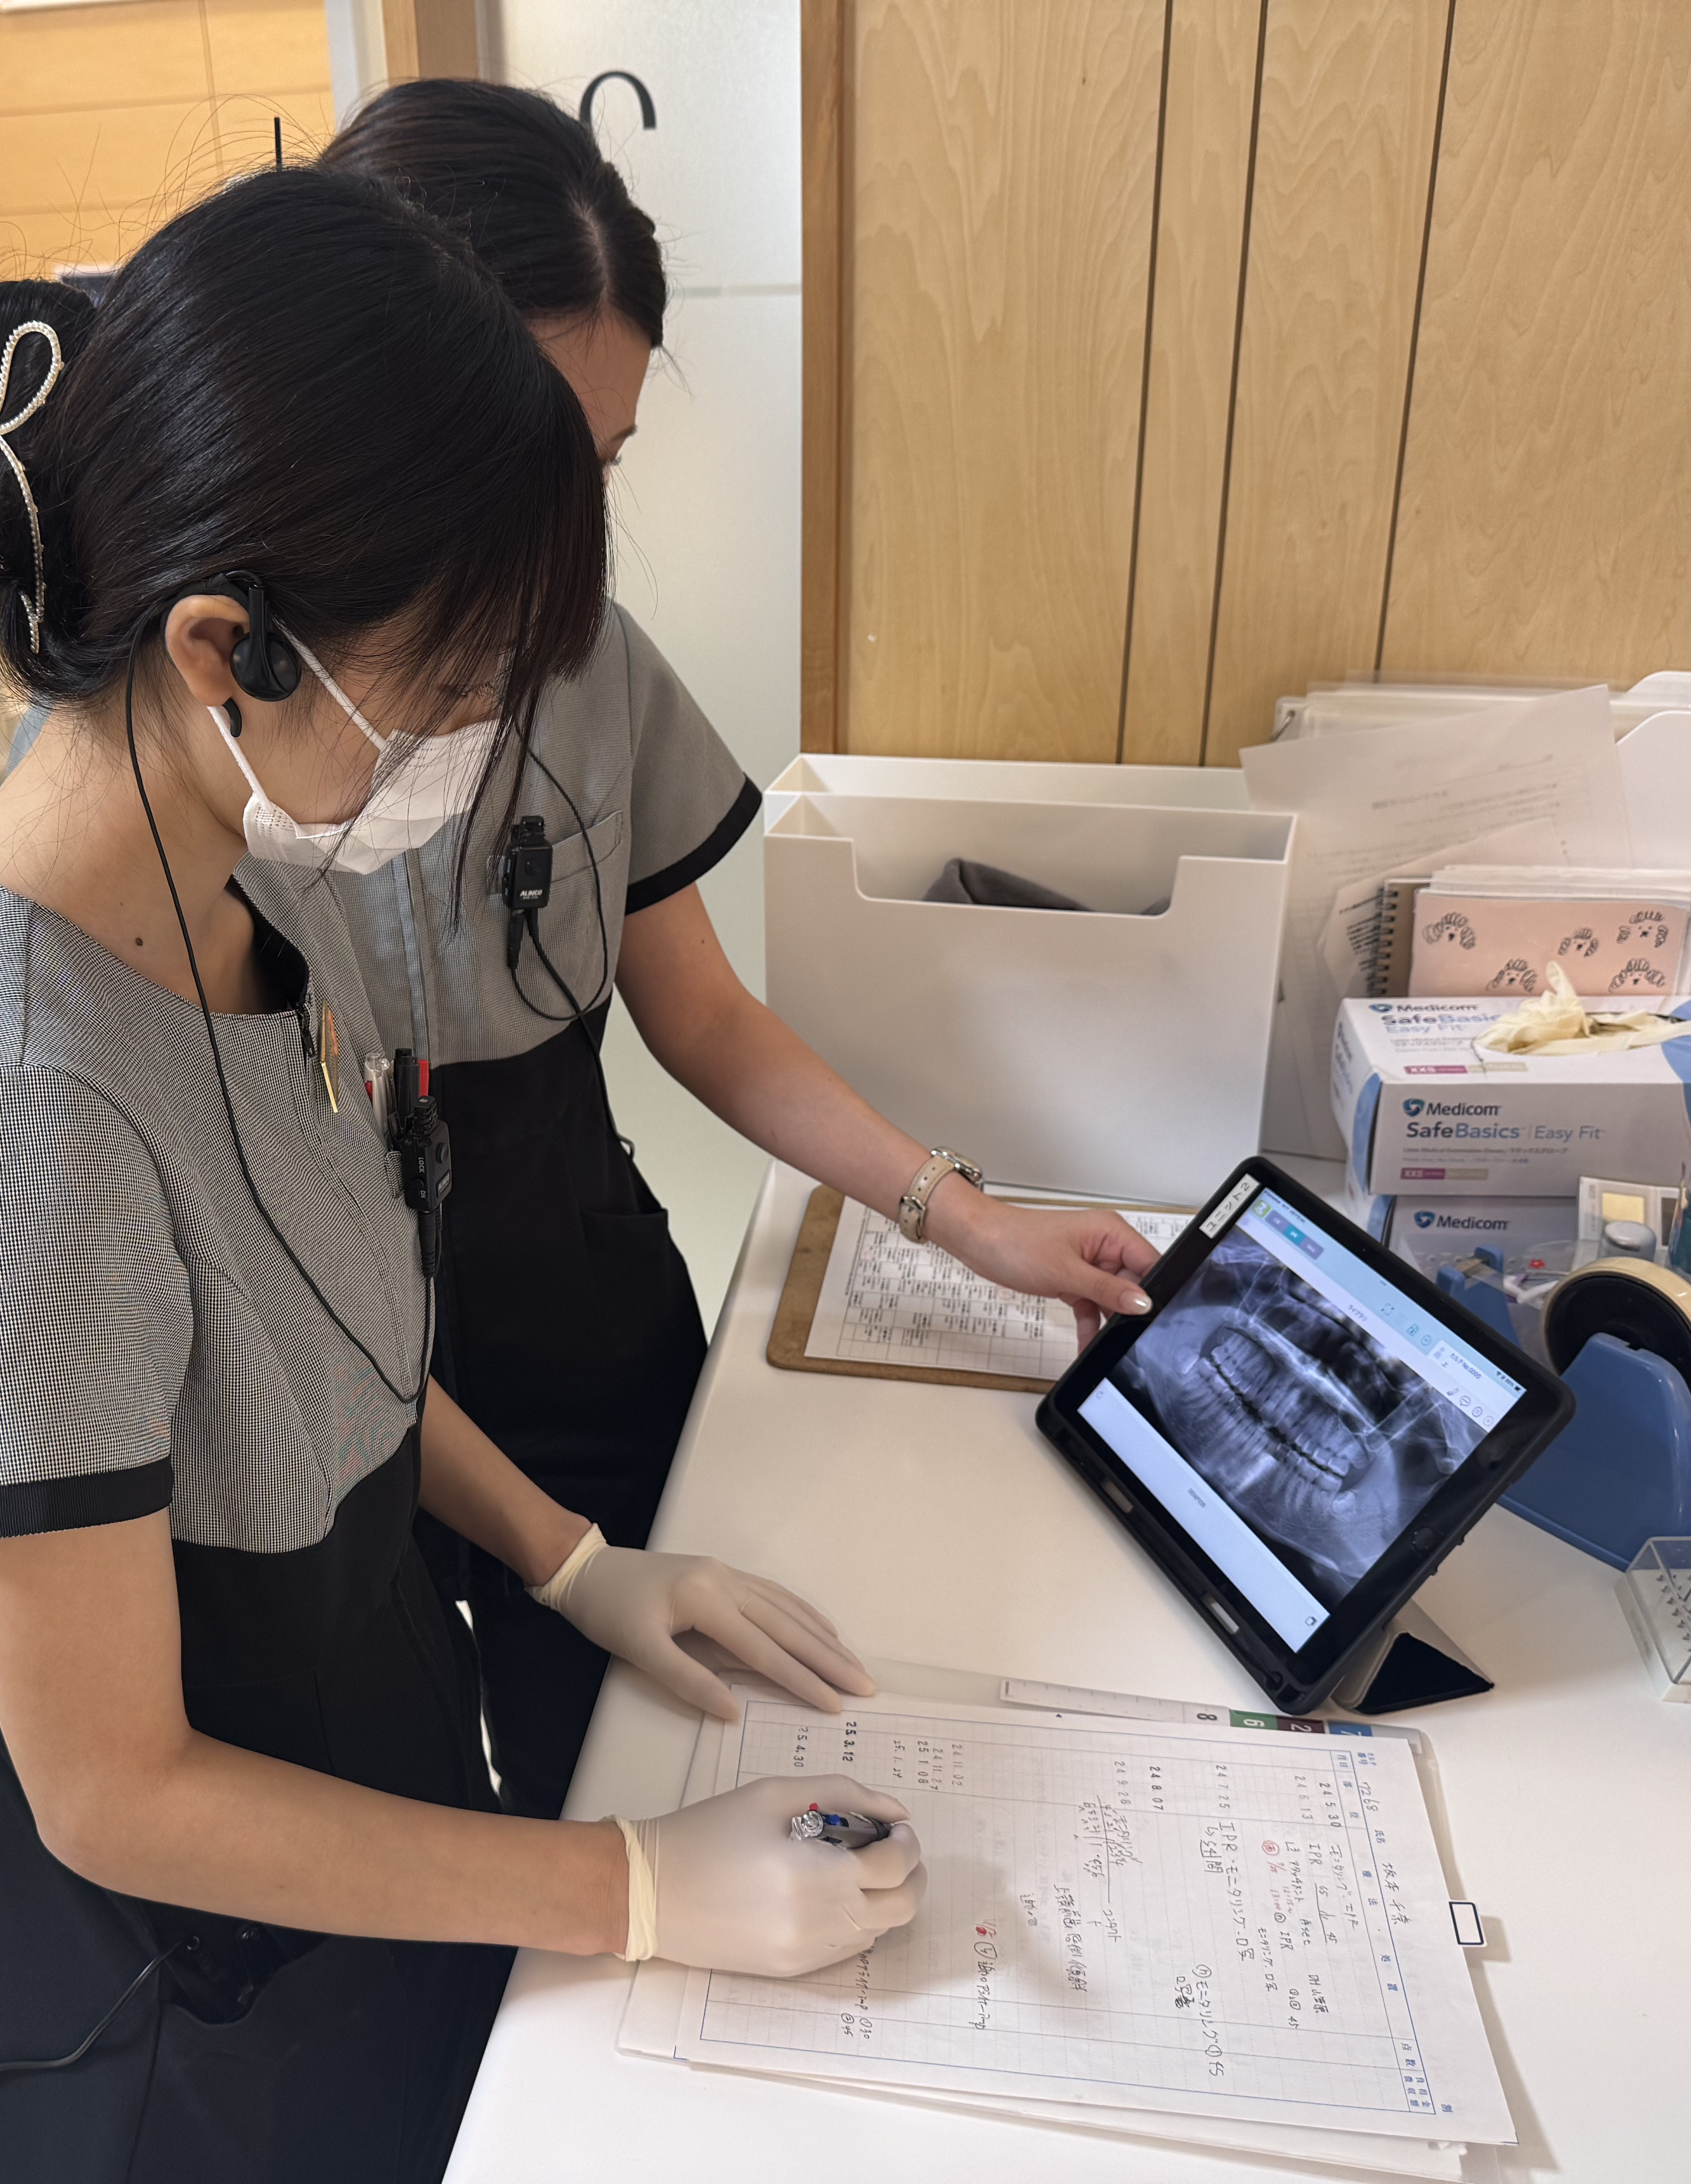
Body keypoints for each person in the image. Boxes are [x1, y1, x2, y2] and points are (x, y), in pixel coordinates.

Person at [0, 168, 923, 2183]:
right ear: (230, 647)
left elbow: (334, 1353)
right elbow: (118, 1789)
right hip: (196, 2035)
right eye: (458, 696)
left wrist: (574, 1563)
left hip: (380, 1870)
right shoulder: (12, 1128)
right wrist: (633, 1885)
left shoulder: (254, 910)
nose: (484, 748)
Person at [291, 81, 1162, 1823]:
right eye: (528, 468)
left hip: (571, 1311)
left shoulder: (585, 660)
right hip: (320, 1384)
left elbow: (699, 1013)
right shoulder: (207, 739)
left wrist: (969, 1217)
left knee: (660, 1780)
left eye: (599, 472)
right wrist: (552, 1562)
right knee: (425, 1847)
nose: (560, 548)